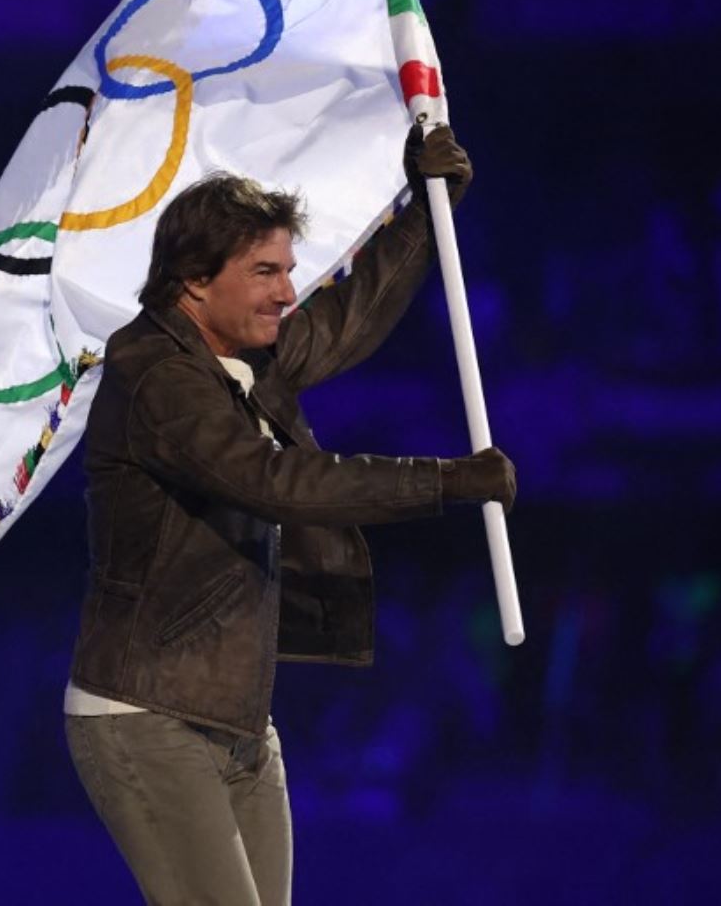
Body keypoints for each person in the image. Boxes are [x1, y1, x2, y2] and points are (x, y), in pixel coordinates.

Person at [63, 126, 516, 906]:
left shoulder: (243, 355)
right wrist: (444, 481)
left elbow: (346, 319)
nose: (286, 291)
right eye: (266, 271)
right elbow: (273, 481)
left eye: (289, 270)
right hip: (145, 715)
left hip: (237, 719)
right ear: (194, 281)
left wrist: (425, 210)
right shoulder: (154, 376)